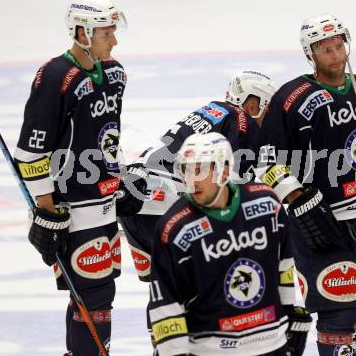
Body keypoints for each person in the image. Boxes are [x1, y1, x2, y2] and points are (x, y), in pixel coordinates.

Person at [257, 14, 356, 356]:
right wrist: (302, 207)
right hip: (320, 222)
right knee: (337, 309)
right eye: (325, 49)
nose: (335, 54)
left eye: (338, 45)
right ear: (310, 54)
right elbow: (269, 164)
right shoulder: (292, 99)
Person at [14, 0, 128, 356]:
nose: (114, 40)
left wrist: (120, 177)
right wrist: (47, 210)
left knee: (96, 291)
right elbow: (31, 151)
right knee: (95, 295)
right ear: (82, 32)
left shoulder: (114, 73)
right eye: (106, 33)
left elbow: (109, 135)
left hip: (106, 200)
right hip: (74, 206)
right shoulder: (55, 77)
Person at [148, 132, 311, 356]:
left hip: (270, 342)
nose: (191, 180)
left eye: (201, 170)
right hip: (211, 350)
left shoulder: (267, 205)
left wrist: (288, 309)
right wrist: (173, 352)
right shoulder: (174, 228)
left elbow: (283, 264)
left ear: (224, 170)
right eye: (186, 170)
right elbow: (166, 301)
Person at [117, 70, 278, 282]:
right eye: (268, 109)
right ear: (251, 105)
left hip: (137, 203)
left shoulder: (212, 110)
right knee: (209, 287)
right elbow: (236, 193)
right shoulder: (241, 119)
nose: (271, 118)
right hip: (171, 210)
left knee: (163, 291)